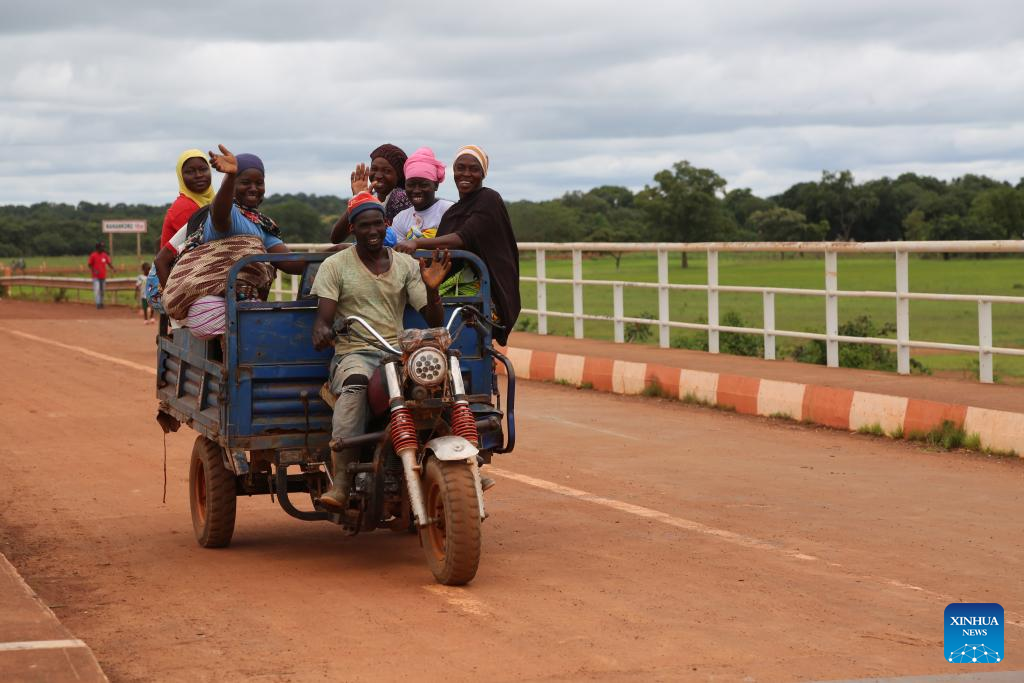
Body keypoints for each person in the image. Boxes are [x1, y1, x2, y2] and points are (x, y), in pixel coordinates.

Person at [311, 191, 452, 510]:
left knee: (438, 381)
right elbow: (323, 318)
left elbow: (433, 319)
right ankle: (342, 481)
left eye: (378, 224)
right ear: (352, 229)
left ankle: (460, 459)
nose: (373, 231)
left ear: (386, 224)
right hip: (355, 352)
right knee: (355, 384)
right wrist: (321, 330)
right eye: (365, 225)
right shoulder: (335, 265)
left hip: (397, 351)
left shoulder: (406, 264)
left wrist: (433, 290)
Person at [154, 146, 304, 338]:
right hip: (209, 308)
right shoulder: (225, 214)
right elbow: (219, 213)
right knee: (259, 326)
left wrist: (333, 254)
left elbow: (290, 263)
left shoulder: (261, 224)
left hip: (241, 305)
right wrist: (230, 176)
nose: (253, 188)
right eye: (245, 182)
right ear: (232, 186)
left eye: (259, 183)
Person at [395, 145, 520, 344]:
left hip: (490, 290)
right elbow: (443, 253)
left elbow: (463, 237)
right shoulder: (453, 212)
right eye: (460, 168)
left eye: (474, 169)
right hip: (459, 285)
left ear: (483, 174)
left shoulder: (489, 198)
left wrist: (416, 242)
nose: (466, 174)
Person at [329, 143, 412, 243]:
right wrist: (358, 199)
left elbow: (389, 241)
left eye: (387, 171)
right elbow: (336, 238)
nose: (378, 175)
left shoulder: (400, 197)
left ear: (398, 175)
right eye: (374, 169)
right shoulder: (371, 197)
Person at [391, 147, 453, 243]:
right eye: (411, 185)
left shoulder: (449, 211)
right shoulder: (400, 219)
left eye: (423, 185)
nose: (416, 190)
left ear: (436, 185)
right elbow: (398, 251)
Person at [160, 149, 215, 249]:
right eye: (190, 172)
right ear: (181, 176)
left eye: (203, 169)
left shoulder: (213, 200)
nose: (198, 175)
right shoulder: (184, 207)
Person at [87, 243, 114, 309]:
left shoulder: (105, 255)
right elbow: (89, 265)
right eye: (101, 247)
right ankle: (98, 304)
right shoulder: (93, 255)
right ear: (97, 248)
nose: (103, 248)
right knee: (97, 290)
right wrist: (94, 270)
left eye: (103, 247)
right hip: (96, 277)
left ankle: (101, 303)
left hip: (103, 276)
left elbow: (108, 263)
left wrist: (113, 268)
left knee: (102, 291)